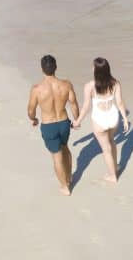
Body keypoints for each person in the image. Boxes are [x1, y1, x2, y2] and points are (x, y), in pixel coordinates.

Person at [27, 54, 80, 195]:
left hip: (49, 125)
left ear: (42, 69)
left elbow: (31, 109)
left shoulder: (37, 89)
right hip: (63, 123)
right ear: (56, 67)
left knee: (57, 156)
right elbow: (73, 104)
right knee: (65, 149)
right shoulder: (66, 85)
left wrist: (33, 119)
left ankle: (64, 186)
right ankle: (69, 177)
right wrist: (77, 120)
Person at [73, 57, 129, 183]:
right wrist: (125, 119)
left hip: (100, 120)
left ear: (96, 70)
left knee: (106, 149)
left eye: (93, 66)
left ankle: (112, 176)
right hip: (113, 117)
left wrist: (78, 121)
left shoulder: (89, 86)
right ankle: (115, 167)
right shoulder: (115, 83)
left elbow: (86, 107)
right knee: (111, 142)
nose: (92, 68)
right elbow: (119, 102)